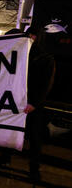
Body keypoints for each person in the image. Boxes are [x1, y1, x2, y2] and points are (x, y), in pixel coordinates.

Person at [24, 26, 55, 180]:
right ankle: (5, 157)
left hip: (34, 105)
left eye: (33, 35)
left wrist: (34, 103)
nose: (30, 37)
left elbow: (46, 84)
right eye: (28, 34)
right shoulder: (23, 54)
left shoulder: (46, 58)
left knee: (35, 138)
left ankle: (34, 168)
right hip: (20, 101)